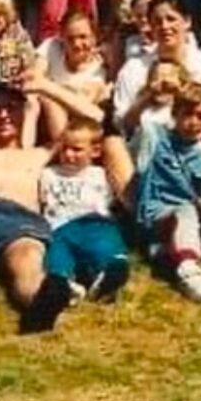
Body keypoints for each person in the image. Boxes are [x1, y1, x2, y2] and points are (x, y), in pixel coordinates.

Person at [0, 75, 104, 332]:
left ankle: (40, 303)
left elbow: (95, 119)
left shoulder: (40, 154)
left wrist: (45, 87)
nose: (4, 115)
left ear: (24, 114)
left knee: (27, 257)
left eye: (12, 108)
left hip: (17, 224)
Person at [132, 81, 201, 301]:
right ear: (175, 114)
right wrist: (157, 92)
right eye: (187, 114)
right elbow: (137, 126)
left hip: (193, 215)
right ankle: (188, 270)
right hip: (156, 212)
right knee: (185, 211)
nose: (193, 122)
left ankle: (166, 252)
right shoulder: (155, 136)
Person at [40, 117, 129, 302]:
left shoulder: (100, 174)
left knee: (105, 245)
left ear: (95, 151)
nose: (68, 154)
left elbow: (117, 199)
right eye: (64, 148)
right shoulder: (48, 173)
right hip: (59, 227)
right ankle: (62, 283)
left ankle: (109, 275)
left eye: (76, 149)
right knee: (56, 255)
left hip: (94, 223)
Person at [113, 0, 201, 128]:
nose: (164, 26)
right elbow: (121, 123)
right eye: (157, 21)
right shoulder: (134, 68)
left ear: (187, 21)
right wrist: (147, 97)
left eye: (171, 19)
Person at [35, 9, 109, 141]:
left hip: (77, 124)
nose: (77, 44)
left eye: (83, 37)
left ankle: (61, 146)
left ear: (94, 38)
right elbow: (34, 78)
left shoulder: (98, 69)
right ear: (62, 37)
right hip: (42, 118)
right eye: (70, 38)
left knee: (52, 102)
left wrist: (47, 87)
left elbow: (83, 105)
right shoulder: (52, 47)